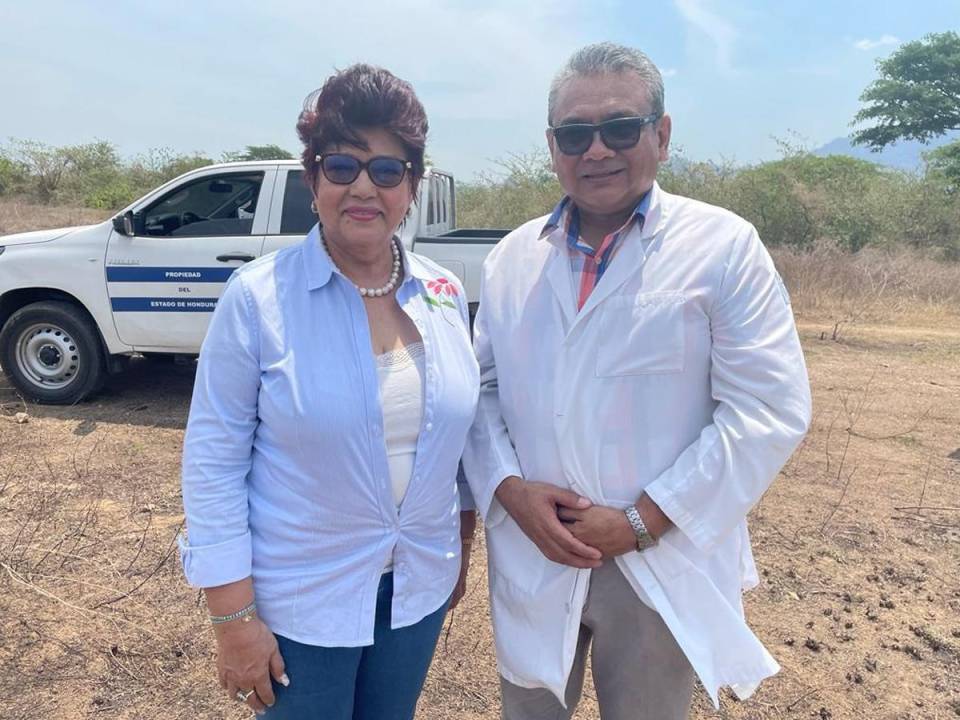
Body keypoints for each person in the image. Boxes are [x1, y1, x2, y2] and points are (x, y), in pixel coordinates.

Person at [462, 43, 812, 720]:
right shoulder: (511, 259)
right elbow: (479, 395)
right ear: (551, 145)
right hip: (538, 550)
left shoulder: (723, 247)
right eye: (574, 134)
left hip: (660, 559)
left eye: (620, 128)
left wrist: (643, 519)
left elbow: (767, 409)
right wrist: (511, 492)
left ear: (662, 133)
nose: (596, 151)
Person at [178, 64, 479, 720]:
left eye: (388, 170)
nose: (364, 187)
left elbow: (458, 448)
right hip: (299, 606)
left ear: (413, 186)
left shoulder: (444, 295)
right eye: (342, 167)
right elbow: (212, 467)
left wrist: (459, 548)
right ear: (313, 178)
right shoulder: (258, 301)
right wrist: (233, 620)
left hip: (415, 594)